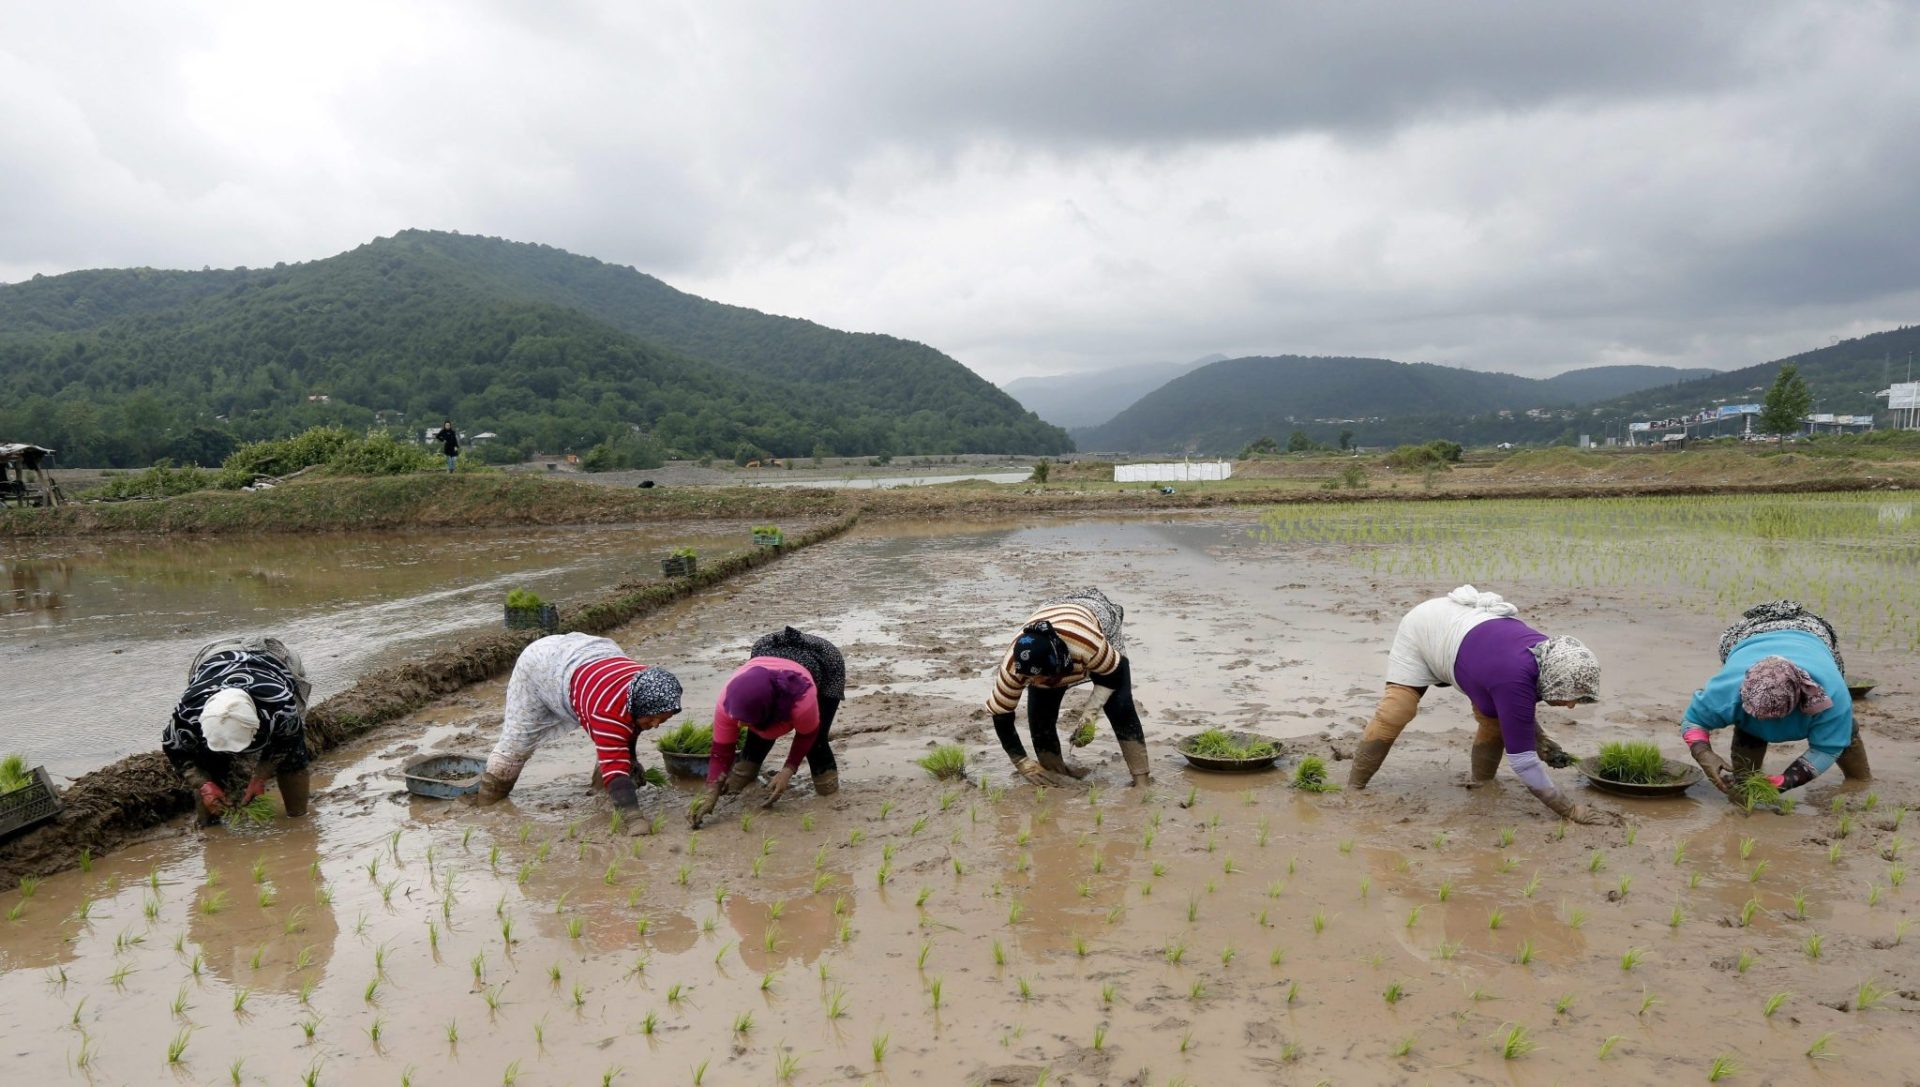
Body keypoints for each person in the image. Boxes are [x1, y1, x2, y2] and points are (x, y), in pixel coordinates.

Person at [1347, 585, 1617, 825]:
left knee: (1493, 723)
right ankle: (1354, 787)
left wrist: (1542, 743)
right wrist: (1569, 810)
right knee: (1397, 710)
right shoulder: (1514, 677)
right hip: (1426, 629)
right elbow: (1523, 761)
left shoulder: (1549, 658)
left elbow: (1512, 711)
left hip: (1472, 643)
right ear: (1557, 680)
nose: (1570, 705)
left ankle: (1482, 784)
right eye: (1571, 696)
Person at [476, 633, 682, 832]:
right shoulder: (608, 710)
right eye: (653, 718)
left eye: (663, 719)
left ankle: (603, 791)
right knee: (516, 745)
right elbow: (615, 765)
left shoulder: (648, 686)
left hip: (587, 653)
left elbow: (628, 730)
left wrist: (631, 758)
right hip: (541, 666)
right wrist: (635, 820)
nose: (655, 724)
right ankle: (487, 803)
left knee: (618, 745)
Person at [1683, 600, 1867, 796]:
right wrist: (1703, 753)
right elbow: (1693, 721)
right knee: (1749, 728)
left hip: (1810, 634)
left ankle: (1860, 781)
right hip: (1750, 634)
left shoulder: (1831, 695)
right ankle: (1744, 784)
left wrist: (1788, 779)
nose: (1763, 720)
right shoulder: (1727, 688)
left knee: (1843, 731)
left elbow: (1827, 749)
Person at [986, 588, 1150, 789]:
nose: (1035, 682)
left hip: (1094, 616)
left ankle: (1141, 779)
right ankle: (1056, 774)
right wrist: (1022, 763)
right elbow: (1001, 713)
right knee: (1040, 716)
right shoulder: (1014, 666)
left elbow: (1113, 675)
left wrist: (1089, 715)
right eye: (1030, 679)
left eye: (1040, 678)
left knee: (1120, 705)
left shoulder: (1087, 644)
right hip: (1051, 615)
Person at [163, 636, 314, 824]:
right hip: (214, 655)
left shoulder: (280, 706)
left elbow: (287, 743)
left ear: (257, 725)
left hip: (275, 660)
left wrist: (260, 776)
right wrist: (203, 784)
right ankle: (211, 828)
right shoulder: (186, 715)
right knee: (206, 762)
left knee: (293, 758)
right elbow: (175, 751)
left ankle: (299, 817)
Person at [688, 655, 821, 827]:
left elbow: (807, 734)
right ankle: (749, 768)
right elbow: (721, 751)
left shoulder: (802, 703)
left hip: (819, 665)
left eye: (745, 720)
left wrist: (787, 771)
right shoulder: (727, 702)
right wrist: (711, 791)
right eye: (737, 718)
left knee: (819, 746)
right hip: (763, 667)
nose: (739, 724)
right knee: (759, 736)